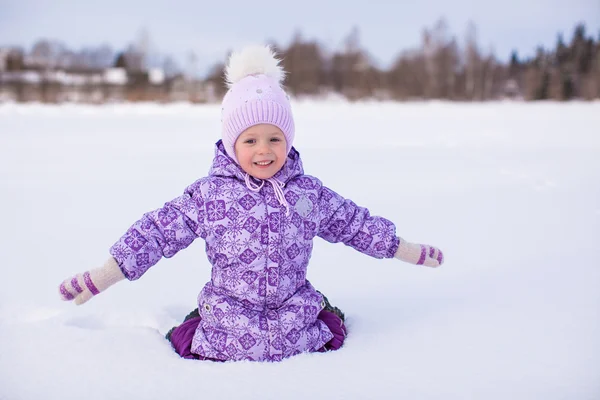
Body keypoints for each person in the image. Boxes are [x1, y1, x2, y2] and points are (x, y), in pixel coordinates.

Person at [58, 45, 445, 362]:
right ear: (231, 144)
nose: (264, 151)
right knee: (326, 313)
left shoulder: (306, 193)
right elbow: (158, 232)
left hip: (276, 329)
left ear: (289, 140)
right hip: (250, 330)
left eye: (275, 139)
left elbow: (354, 224)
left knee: (310, 310)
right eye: (250, 140)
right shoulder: (210, 196)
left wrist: (403, 249)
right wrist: (105, 274)